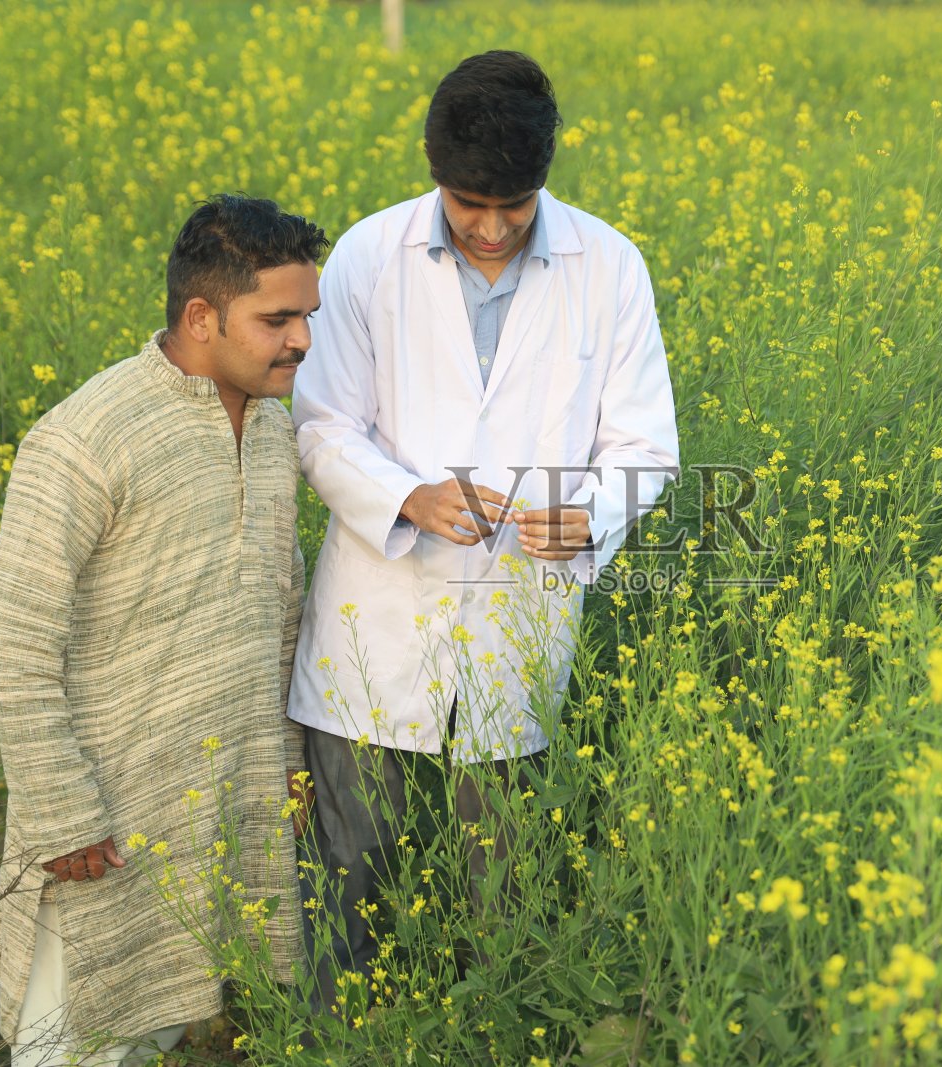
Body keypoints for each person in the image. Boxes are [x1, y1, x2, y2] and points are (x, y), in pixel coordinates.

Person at [288, 50, 679, 1011]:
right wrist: (405, 497)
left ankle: (489, 1026)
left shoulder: (610, 265)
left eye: (518, 203)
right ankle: (353, 1032)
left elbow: (647, 442)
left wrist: (592, 513)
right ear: (433, 171)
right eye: (471, 203)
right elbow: (321, 422)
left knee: (503, 870)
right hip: (376, 611)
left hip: (521, 613)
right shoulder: (368, 258)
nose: (495, 227)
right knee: (356, 862)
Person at [0, 194, 328, 1065]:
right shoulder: (88, 435)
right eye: (277, 319)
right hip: (100, 819)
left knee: (157, 1024)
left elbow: (279, 615)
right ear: (201, 315)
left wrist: (284, 766)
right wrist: (61, 810)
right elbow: (14, 632)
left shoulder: (278, 436)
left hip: (218, 801)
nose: (302, 342)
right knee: (68, 1042)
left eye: (307, 317)